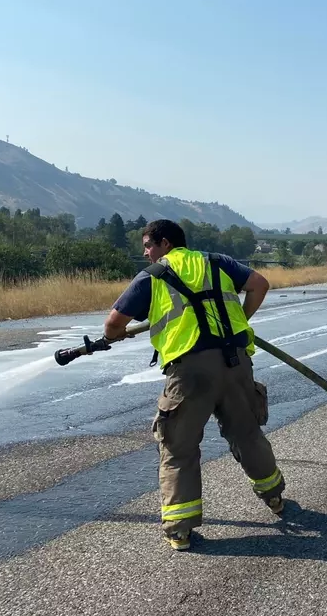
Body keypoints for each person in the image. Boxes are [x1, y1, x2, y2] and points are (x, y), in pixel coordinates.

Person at [102, 219, 286, 551]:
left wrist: (111, 337)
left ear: (166, 243)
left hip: (190, 371)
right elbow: (259, 284)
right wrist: (241, 321)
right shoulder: (218, 261)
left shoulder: (154, 275)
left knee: (178, 447)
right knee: (247, 433)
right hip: (236, 362)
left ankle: (180, 530)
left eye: (148, 245)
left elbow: (114, 323)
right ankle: (275, 497)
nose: (145, 252)